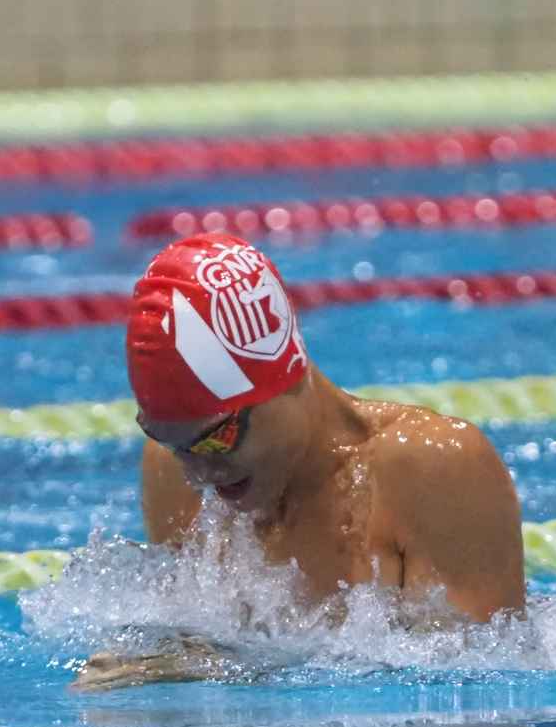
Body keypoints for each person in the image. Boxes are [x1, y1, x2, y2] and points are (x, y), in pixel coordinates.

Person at [74, 233, 525, 691]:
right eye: (171, 442)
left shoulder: (431, 470)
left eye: (217, 438)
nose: (197, 474)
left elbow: (473, 702)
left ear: (283, 374)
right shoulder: (171, 473)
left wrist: (232, 667)